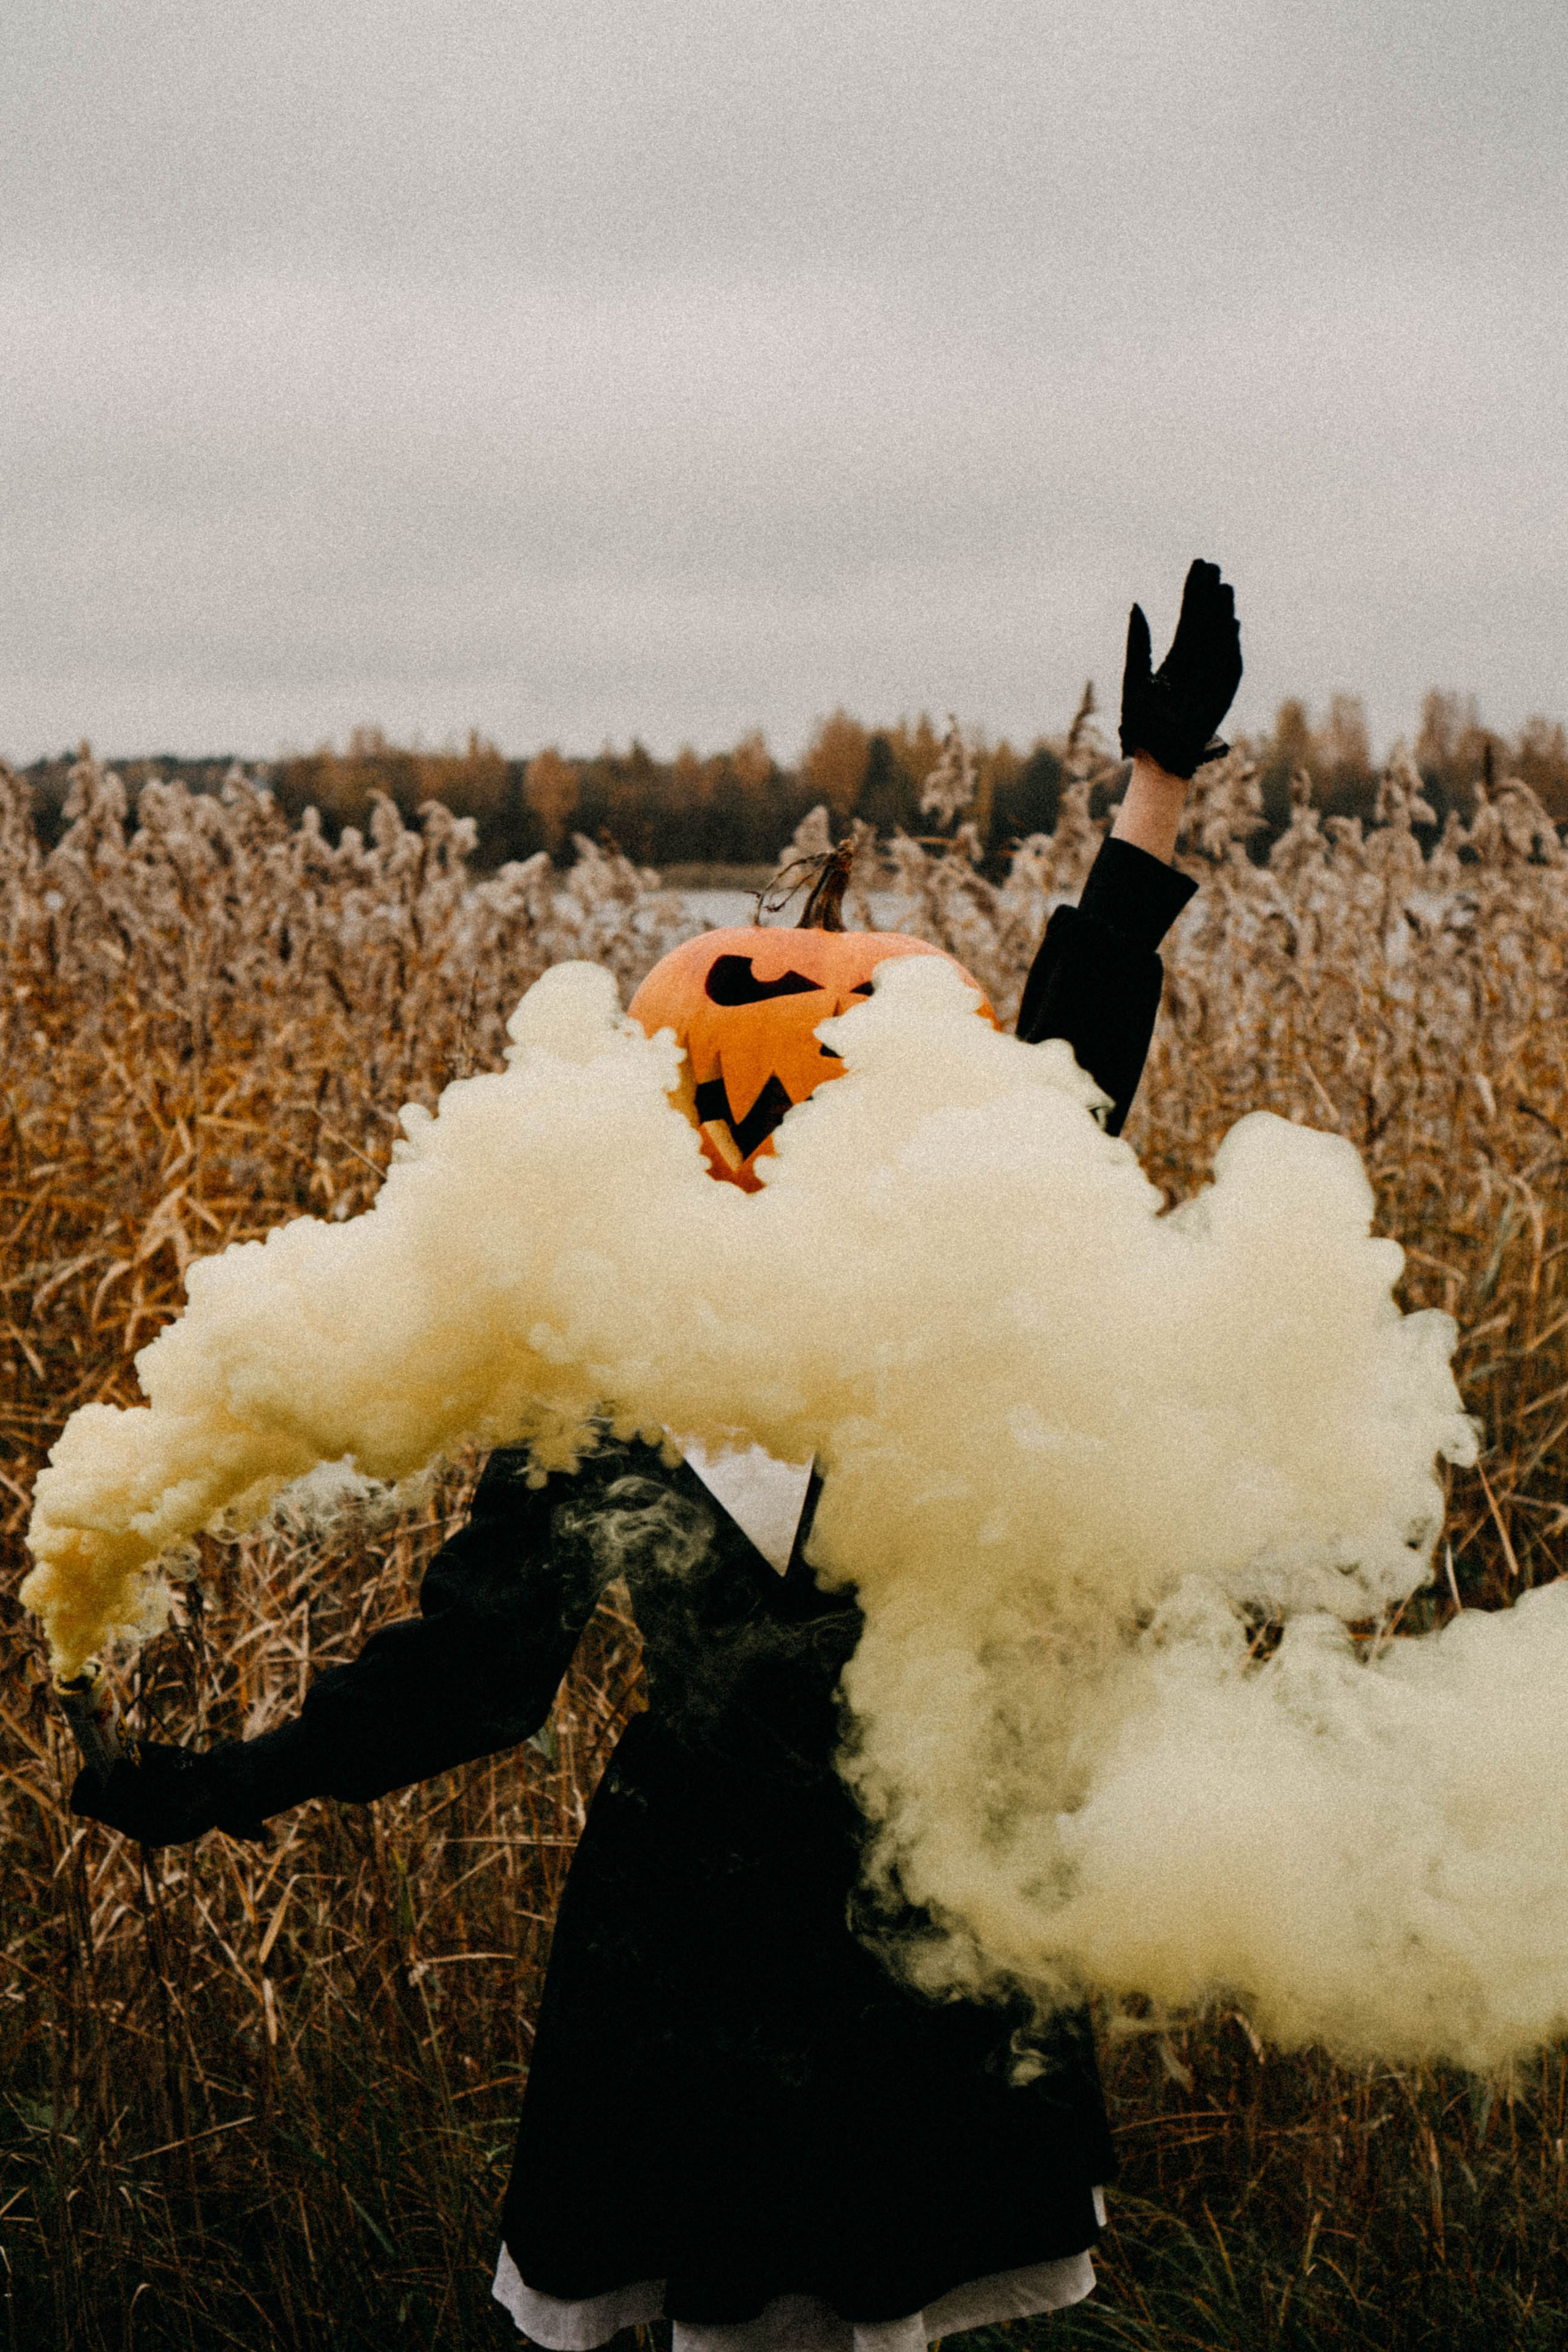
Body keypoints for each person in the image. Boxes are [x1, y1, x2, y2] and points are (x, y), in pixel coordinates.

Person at [72, 562, 1242, 2351]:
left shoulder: (946, 1305)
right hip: (689, 1952)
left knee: (874, 2309)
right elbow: (472, 1674)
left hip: (912, 1906)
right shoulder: (606, 1382)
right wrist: (212, 1783)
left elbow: (1073, 1082)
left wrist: (1155, 790)